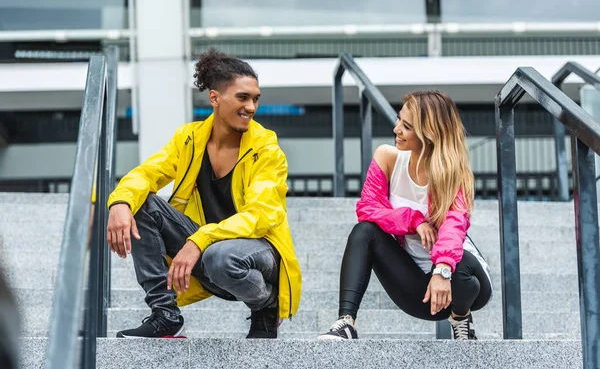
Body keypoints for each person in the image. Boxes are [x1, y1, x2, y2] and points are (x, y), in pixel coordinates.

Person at [106, 49, 301, 339]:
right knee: (140, 203)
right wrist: (119, 202)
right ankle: (164, 314)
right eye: (243, 97)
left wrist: (199, 240)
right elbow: (147, 173)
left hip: (259, 253)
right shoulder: (190, 138)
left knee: (220, 257)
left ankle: (266, 305)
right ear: (215, 98)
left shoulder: (266, 149)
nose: (251, 107)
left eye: (255, 98)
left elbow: (261, 215)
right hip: (208, 251)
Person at [318, 91, 492, 341]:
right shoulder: (388, 157)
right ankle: (345, 323)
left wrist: (442, 270)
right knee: (365, 231)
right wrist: (414, 220)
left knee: (461, 265)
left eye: (407, 126)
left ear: (429, 134)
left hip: (460, 280)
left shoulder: (453, 173)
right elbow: (368, 208)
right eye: (400, 120)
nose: (396, 128)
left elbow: (455, 226)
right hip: (419, 289)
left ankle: (461, 317)